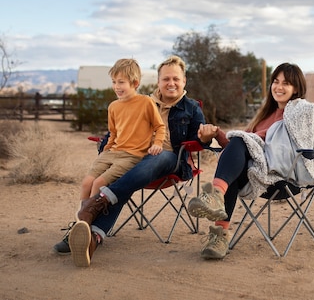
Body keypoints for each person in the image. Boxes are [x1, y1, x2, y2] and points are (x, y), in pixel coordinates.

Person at [54, 55, 219, 267]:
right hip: (134, 157)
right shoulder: (142, 102)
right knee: (120, 174)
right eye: (166, 79)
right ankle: (91, 236)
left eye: (176, 79)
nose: (171, 83)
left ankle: (91, 211)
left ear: (184, 81)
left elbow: (199, 140)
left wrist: (204, 137)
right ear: (158, 81)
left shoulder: (191, 107)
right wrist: (106, 147)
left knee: (151, 161)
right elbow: (117, 130)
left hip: (171, 160)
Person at [187, 62, 314, 260]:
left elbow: (305, 119)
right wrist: (216, 134)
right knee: (235, 162)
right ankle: (219, 234)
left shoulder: (299, 112)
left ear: (297, 88)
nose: (279, 87)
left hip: (282, 175)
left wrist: (248, 137)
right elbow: (239, 151)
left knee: (241, 144)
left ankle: (216, 196)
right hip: (255, 169)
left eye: (286, 83)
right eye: (275, 81)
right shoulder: (265, 115)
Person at [77, 58, 165, 208]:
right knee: (86, 183)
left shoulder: (146, 102)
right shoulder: (113, 107)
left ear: (135, 83)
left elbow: (160, 127)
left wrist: (157, 143)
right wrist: (105, 150)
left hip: (132, 156)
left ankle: (89, 222)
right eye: (114, 82)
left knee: (98, 184)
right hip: (112, 152)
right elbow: (113, 133)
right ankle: (80, 223)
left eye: (121, 82)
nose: (116, 86)